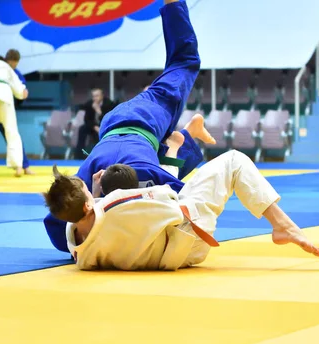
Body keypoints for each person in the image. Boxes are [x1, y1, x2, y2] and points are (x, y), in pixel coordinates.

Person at [43, 0, 215, 253]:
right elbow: (55, 217)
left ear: (88, 207)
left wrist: (87, 237)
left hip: (145, 117)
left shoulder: (127, 174)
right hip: (113, 127)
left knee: (185, 61)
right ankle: (189, 133)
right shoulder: (82, 182)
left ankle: (172, 4)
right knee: (164, 162)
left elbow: (186, 200)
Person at [43, 150, 319, 271]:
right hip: (189, 237)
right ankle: (282, 225)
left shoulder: (77, 247)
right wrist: (109, 196)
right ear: (88, 202)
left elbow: (97, 221)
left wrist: (98, 198)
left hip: (168, 258)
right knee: (234, 161)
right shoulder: (115, 204)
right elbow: (167, 198)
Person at [74, 88, 116, 159]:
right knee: (82, 129)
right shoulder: (89, 104)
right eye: (93, 96)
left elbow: (108, 120)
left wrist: (98, 111)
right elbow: (87, 119)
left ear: (102, 96)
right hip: (93, 127)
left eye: (97, 96)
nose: (95, 98)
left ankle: (102, 156)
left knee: (101, 135)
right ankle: (79, 155)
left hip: (105, 126)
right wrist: (95, 127)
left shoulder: (109, 104)